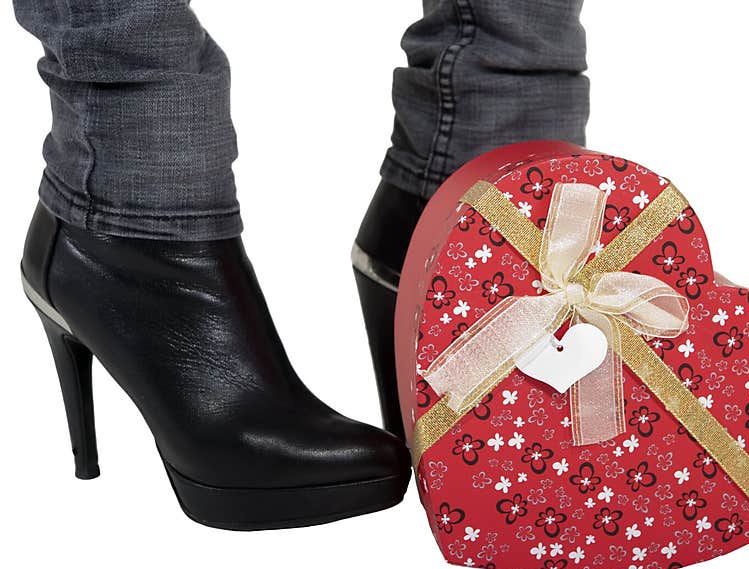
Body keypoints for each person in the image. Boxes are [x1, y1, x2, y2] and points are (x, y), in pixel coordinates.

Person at [14, 0, 589, 529]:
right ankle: (128, 220)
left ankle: (465, 217)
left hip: (465, 196)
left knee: (520, 21)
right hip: (117, 214)